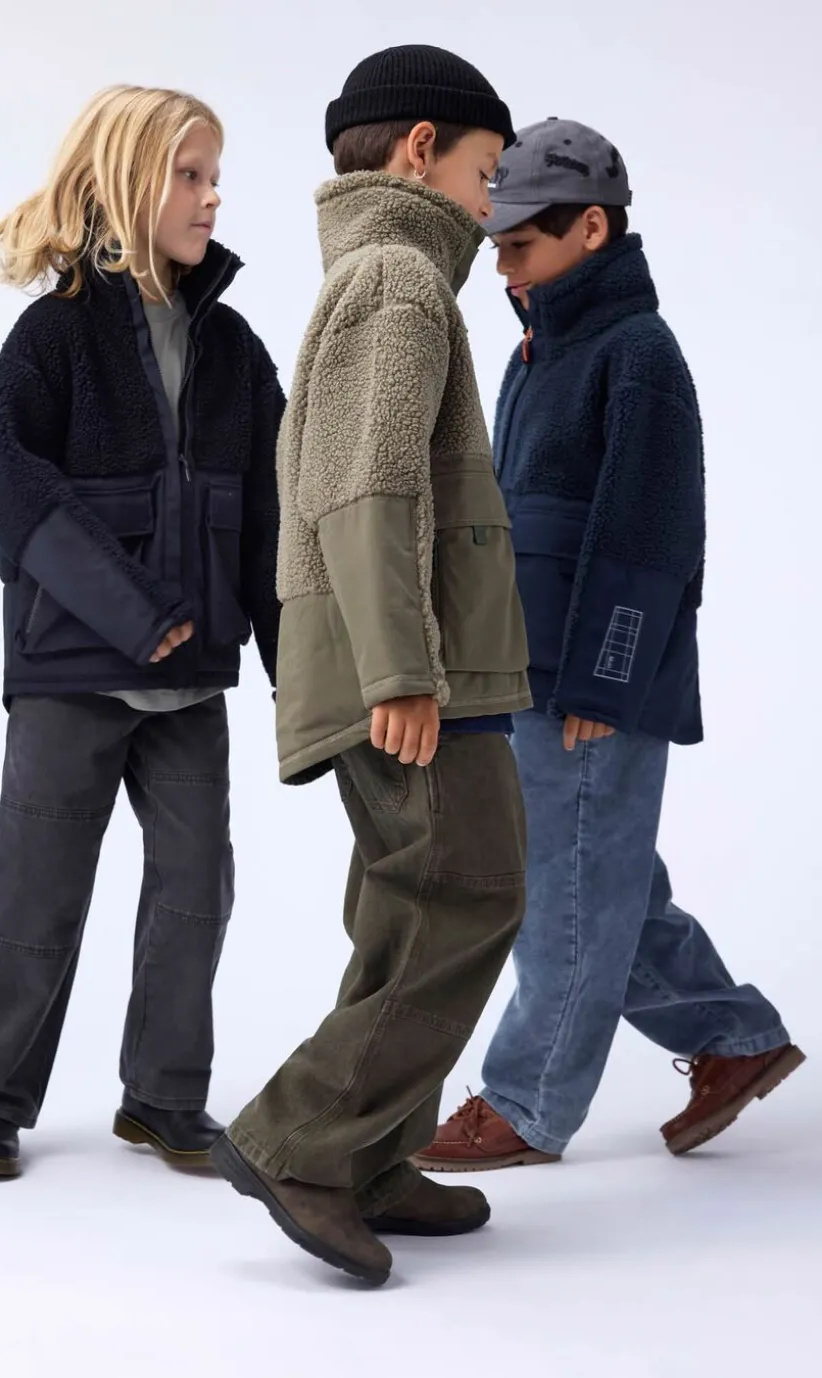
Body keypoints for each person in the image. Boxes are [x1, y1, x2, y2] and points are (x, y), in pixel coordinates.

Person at [416, 119, 804, 1174]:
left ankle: (527, 1101)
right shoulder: (538, 352)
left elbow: (652, 537)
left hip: (588, 686)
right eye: (496, 246)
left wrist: (605, 681)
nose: (502, 268)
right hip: (529, 672)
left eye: (520, 246)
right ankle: (734, 1036)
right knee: (597, 879)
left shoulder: (637, 355)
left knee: (564, 891)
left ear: (592, 228)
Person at [209, 46, 531, 1286]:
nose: (491, 204)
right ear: (418, 150)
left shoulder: (384, 277)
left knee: (409, 908)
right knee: (468, 891)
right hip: (411, 669)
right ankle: (299, 1143)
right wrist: (403, 670)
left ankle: (371, 1157)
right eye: (485, 172)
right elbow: (367, 484)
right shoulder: (396, 278)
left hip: (420, 658)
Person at [0, 85, 283, 1180]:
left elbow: (272, 522)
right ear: (127, 182)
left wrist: (299, 672)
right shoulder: (54, 336)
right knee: (37, 888)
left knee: (197, 883)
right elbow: (9, 487)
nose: (211, 197)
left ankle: (164, 1096)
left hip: (192, 682)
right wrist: (136, 614)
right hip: (71, 670)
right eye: (189, 175)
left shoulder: (233, 348)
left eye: (215, 177)